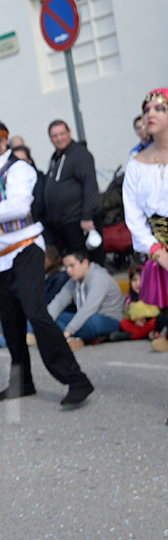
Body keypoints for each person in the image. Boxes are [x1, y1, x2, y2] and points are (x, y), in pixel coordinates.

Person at [0, 119, 94, 409]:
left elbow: (16, 206)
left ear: (3, 142)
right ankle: (22, 382)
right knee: (11, 323)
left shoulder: (20, 169)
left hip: (24, 251)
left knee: (37, 315)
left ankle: (77, 380)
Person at [122, 88, 168, 352]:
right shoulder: (136, 164)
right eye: (146, 109)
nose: (150, 114)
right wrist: (157, 252)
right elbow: (134, 217)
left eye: (159, 109)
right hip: (159, 251)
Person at [43, 119, 104, 264]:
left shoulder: (79, 154)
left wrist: (87, 216)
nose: (59, 138)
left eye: (62, 134)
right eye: (55, 136)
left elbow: (90, 185)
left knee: (87, 263)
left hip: (79, 220)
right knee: (73, 264)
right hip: (63, 223)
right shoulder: (56, 157)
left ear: (69, 133)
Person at [47, 249, 124, 350]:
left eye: (72, 266)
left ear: (85, 263)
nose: (68, 270)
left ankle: (63, 336)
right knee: (58, 317)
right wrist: (45, 322)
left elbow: (89, 308)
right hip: (85, 319)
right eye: (66, 267)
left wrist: (68, 331)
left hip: (107, 320)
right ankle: (73, 339)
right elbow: (58, 301)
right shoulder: (73, 280)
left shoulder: (99, 278)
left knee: (91, 321)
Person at [112, 266, 160, 341]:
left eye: (141, 279)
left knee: (154, 322)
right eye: (134, 280)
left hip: (149, 322)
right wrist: (135, 320)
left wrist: (144, 317)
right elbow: (127, 316)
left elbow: (156, 311)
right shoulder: (129, 299)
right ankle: (145, 334)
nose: (138, 283)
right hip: (137, 325)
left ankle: (131, 336)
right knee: (123, 323)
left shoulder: (152, 294)